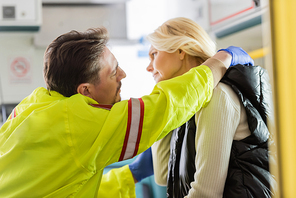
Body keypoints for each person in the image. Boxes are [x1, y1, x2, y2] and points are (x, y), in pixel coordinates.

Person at [0, 26, 248, 198]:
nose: (124, 75)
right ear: (85, 91)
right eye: (113, 72)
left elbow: (67, 185)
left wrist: (129, 175)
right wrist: (220, 61)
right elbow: (163, 106)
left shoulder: (34, 105)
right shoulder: (76, 123)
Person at [148, 17, 276, 198]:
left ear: (180, 50)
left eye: (154, 54)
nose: (148, 67)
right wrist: (161, 104)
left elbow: (206, 194)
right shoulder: (187, 104)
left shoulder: (216, 95)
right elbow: (164, 177)